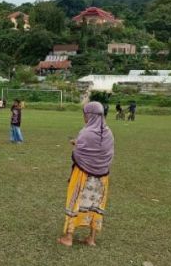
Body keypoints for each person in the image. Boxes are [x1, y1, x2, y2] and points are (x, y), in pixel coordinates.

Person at [58, 102, 115, 247]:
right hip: (102, 177)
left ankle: (68, 237)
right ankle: (91, 238)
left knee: (75, 201)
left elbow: (78, 154)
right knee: (96, 204)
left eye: (85, 114)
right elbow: (107, 154)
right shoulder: (108, 132)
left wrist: (77, 146)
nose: (84, 117)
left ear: (89, 115)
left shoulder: (86, 132)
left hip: (83, 175)